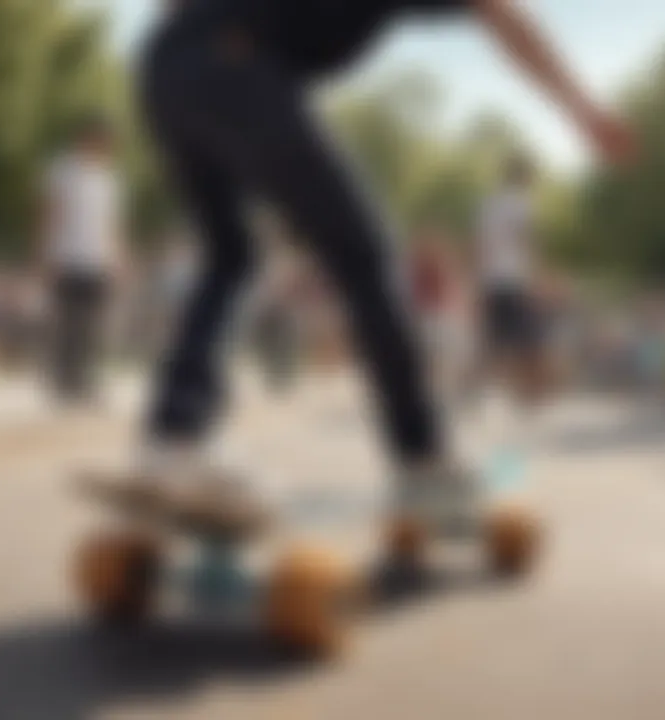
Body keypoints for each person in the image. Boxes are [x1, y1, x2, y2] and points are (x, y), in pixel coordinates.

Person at [127, 0, 635, 527]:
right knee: (366, 259)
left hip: (168, 68)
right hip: (239, 69)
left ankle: (171, 442)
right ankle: (424, 461)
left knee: (230, 257)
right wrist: (582, 110)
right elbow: (506, 17)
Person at [39, 116, 126, 403]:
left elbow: (112, 223)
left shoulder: (109, 179)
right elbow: (51, 213)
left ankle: (86, 381)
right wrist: (46, 253)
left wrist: (118, 258)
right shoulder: (62, 170)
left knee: (93, 322)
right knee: (68, 320)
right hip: (67, 255)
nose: (103, 145)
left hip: (97, 259)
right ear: (84, 138)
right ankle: (64, 382)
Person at [474, 155, 548, 406]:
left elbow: (481, 244)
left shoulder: (489, 204)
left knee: (494, 339)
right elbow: (526, 239)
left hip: (492, 280)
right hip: (516, 279)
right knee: (529, 338)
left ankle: (476, 390)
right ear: (524, 177)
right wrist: (537, 276)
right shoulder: (521, 203)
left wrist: (479, 279)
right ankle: (528, 394)